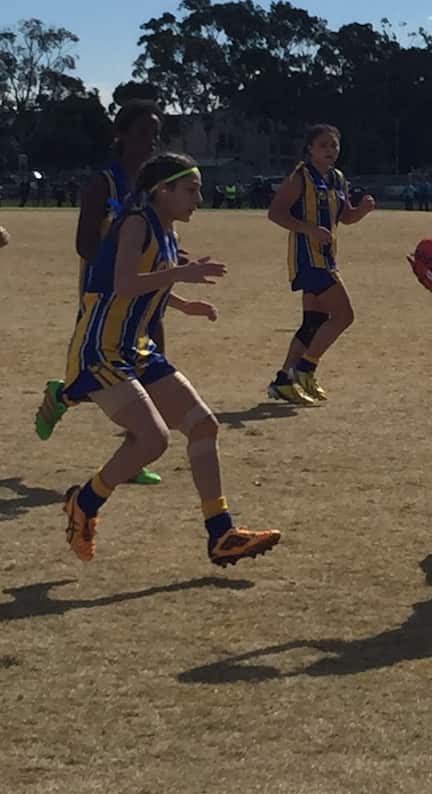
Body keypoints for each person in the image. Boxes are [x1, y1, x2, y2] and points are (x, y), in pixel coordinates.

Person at [60, 153, 281, 566]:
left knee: (203, 426)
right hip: (101, 349)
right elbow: (125, 283)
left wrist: (182, 303)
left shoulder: (167, 231)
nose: (200, 197)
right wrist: (181, 275)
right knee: (153, 439)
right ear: (163, 191)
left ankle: (222, 533)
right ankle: (84, 502)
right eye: (191, 189)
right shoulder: (137, 224)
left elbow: (149, 280)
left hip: (137, 348)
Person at [35, 100, 167, 485]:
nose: (150, 142)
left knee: (148, 365)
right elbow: (84, 244)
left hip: (144, 297)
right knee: (104, 375)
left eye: (155, 135)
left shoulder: (152, 188)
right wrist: (117, 274)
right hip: (104, 299)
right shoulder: (102, 184)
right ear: (120, 136)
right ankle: (63, 397)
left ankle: (137, 448)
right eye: (142, 133)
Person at [266, 124, 375, 405]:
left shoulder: (338, 179)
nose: (330, 150)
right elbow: (276, 213)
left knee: (313, 323)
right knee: (344, 315)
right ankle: (305, 368)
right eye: (323, 145)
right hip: (308, 260)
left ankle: (283, 381)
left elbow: (345, 217)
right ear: (310, 149)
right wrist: (308, 229)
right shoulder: (300, 177)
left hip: (327, 258)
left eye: (334, 145)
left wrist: (361, 212)